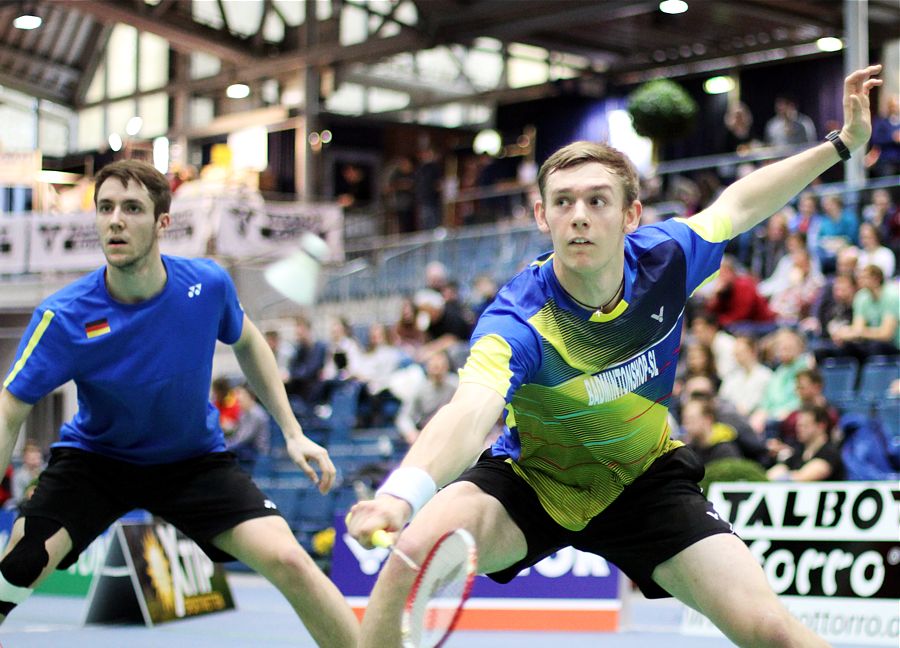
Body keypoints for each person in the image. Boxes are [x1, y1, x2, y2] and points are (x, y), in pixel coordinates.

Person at [349, 65, 882, 648]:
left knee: (772, 631)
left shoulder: (667, 259)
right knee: (410, 555)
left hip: (645, 481)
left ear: (630, 215)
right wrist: (401, 495)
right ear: (542, 216)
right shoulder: (520, 319)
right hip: (534, 483)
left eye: (598, 200)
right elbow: (470, 410)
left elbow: (741, 203)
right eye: (564, 202)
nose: (579, 214)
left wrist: (840, 146)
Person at [0, 160, 358, 645]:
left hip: (193, 461)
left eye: (131, 208)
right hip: (96, 462)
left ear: (162, 222)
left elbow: (249, 342)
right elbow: (10, 409)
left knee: (291, 559)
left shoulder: (206, 285)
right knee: (17, 569)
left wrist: (293, 432)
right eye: (105, 208)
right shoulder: (63, 316)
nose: (115, 220)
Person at [766, 405, 844, 482]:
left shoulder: (830, 453)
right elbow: (777, 471)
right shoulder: (798, 451)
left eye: (805, 425)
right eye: (798, 425)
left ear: (821, 425)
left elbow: (803, 478)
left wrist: (785, 476)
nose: (799, 429)